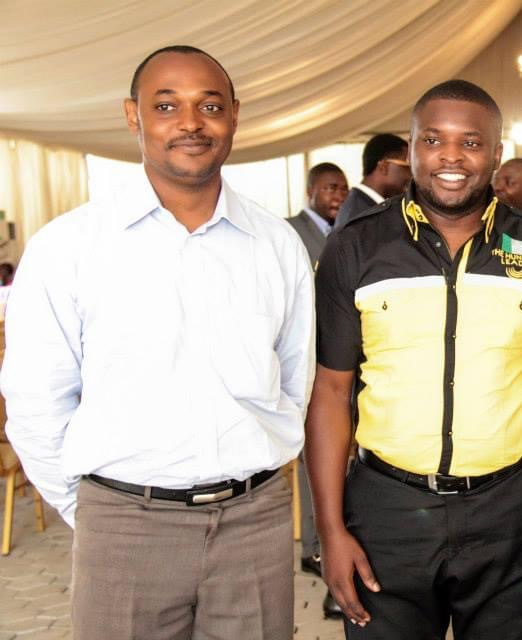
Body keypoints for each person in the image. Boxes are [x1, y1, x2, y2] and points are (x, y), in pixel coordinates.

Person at [0, 46, 315, 639]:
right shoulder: (70, 246)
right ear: (133, 115)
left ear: (235, 115)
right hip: (125, 524)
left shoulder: (277, 245)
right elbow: (36, 400)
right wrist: (92, 509)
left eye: (210, 106)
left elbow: (295, 380)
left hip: (253, 523)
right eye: (166, 106)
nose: (191, 123)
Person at [306, 79, 522, 639]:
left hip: (513, 515)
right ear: (411, 149)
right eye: (433, 140)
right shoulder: (355, 246)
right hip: (387, 515)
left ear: (496, 154)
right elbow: (330, 391)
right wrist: (330, 530)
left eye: (470, 142)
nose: (451, 157)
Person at [287, 162, 347, 619]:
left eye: (342, 188)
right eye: (329, 188)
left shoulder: (347, 233)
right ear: (310, 191)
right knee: (313, 457)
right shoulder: (290, 233)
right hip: (306, 361)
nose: (337, 195)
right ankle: (313, 545)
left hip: (342, 360)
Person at [333, 133, 411, 229]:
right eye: (408, 167)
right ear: (384, 166)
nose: (411, 175)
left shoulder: (367, 207)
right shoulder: (359, 215)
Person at [288, 162, 348, 266]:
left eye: (344, 190)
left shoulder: (346, 229)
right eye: (331, 188)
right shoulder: (290, 229)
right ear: (310, 191)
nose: (340, 197)